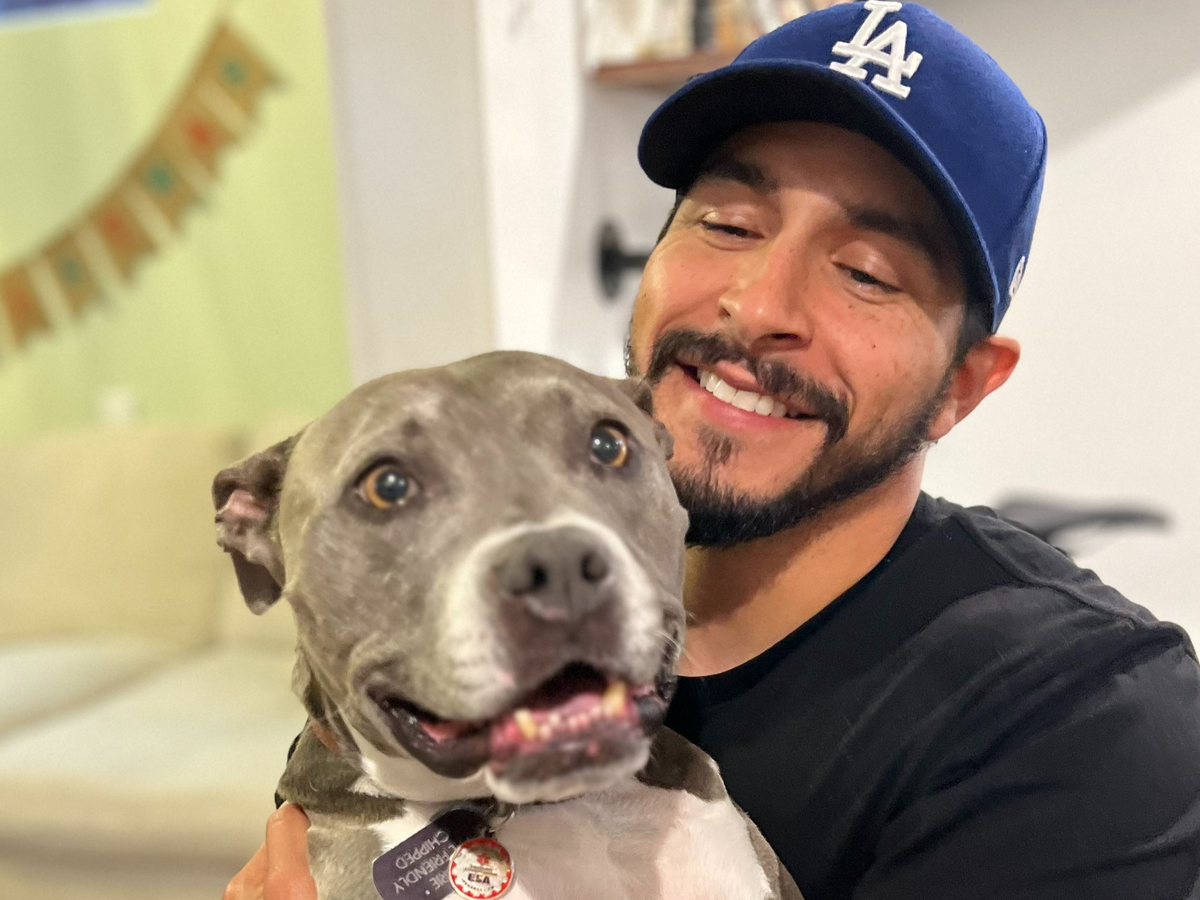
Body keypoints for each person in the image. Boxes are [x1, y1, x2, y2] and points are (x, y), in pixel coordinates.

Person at [225, 3, 1200, 899]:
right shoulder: (463, 626)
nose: (758, 304)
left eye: (867, 272)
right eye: (728, 224)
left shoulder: (1085, 720)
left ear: (962, 386)